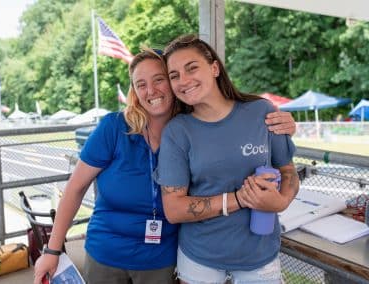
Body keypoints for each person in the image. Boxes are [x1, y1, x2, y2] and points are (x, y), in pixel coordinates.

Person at [33, 48, 296, 284]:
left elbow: (233, 129)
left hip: (162, 257)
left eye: (159, 79)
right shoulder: (114, 128)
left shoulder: (190, 127)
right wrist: (52, 250)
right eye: (141, 84)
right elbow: (75, 188)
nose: (151, 90)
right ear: (134, 92)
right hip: (107, 254)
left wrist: (281, 128)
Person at [154, 34, 300, 284]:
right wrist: (239, 199)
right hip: (200, 261)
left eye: (192, 68)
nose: (184, 80)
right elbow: (174, 209)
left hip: (260, 258)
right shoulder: (178, 131)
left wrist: (281, 201)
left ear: (214, 68)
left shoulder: (261, 112)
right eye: (174, 75)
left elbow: (288, 171)